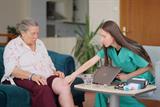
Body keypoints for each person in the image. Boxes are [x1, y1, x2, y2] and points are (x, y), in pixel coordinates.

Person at [65, 20, 155, 107]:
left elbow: (147, 67)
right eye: (101, 37)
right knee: (101, 90)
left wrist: (128, 76)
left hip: (141, 77)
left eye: (104, 36)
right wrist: (73, 75)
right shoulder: (109, 49)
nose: (101, 40)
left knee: (119, 92)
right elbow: (91, 61)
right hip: (124, 77)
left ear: (113, 36)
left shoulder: (130, 49)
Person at [1, 19, 74, 107]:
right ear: (23, 33)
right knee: (44, 89)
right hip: (23, 77)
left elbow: (48, 62)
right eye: (33, 33)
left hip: (45, 76)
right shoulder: (13, 46)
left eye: (37, 33)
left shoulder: (39, 43)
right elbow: (12, 70)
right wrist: (32, 76)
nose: (36, 37)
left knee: (64, 85)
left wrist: (55, 72)